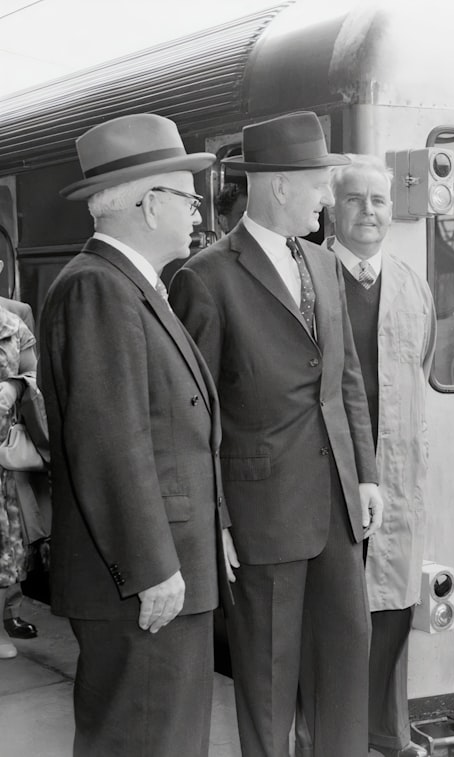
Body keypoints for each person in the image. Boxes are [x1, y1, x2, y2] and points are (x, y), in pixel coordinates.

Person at [169, 111, 384, 757]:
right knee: (267, 679)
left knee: (345, 665)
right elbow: (190, 413)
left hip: (338, 508)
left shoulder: (322, 265)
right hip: (262, 515)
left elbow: (345, 379)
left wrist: (366, 473)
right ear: (280, 186)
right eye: (320, 183)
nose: (328, 198)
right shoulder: (205, 277)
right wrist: (219, 516)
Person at [39, 113, 234, 757]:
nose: (199, 211)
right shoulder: (99, 289)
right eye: (188, 196)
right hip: (145, 582)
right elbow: (110, 444)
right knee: (145, 739)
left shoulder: (130, 287)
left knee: (167, 737)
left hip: (167, 569)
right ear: (151, 204)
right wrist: (153, 568)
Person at [327, 154, 435, 757]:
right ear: (330, 208)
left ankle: (387, 740)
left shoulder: (412, 285)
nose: (368, 211)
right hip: (332, 478)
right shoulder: (309, 278)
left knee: (393, 611)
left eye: (378, 201)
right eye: (354, 200)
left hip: (395, 476)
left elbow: (420, 367)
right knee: (339, 617)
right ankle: (335, 741)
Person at [0, 289, 42, 643]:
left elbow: (35, 375)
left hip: (3, 449)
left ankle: (9, 614)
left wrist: (13, 388)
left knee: (10, 535)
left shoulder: (16, 317)